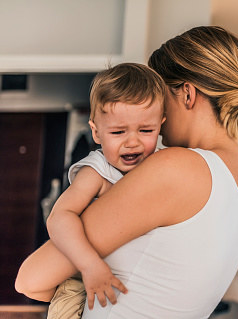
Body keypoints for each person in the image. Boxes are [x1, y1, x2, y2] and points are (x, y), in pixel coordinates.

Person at [15, 25, 238, 318]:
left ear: (187, 94)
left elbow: (31, 279)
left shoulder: (177, 169)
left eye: (159, 95)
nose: (152, 113)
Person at [45, 62, 167, 319]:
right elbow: (59, 217)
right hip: (81, 275)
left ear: (161, 126)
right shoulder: (97, 171)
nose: (132, 141)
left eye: (146, 130)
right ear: (97, 132)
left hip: (131, 276)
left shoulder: (163, 162)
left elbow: (203, 159)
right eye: (118, 132)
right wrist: (89, 265)